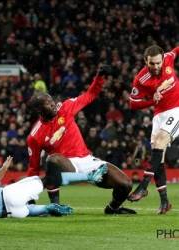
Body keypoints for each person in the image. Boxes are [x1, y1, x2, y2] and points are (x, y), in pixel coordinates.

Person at [27, 65, 136, 215]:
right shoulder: (35, 135)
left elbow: (91, 94)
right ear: (39, 110)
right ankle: (55, 207)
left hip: (87, 160)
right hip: (67, 165)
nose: (52, 104)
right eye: (47, 103)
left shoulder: (65, 108)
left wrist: (99, 77)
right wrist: (30, 198)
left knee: (126, 184)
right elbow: (33, 169)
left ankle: (112, 208)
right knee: (53, 158)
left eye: (51, 100)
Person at [127, 45, 179, 214]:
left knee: (159, 141)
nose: (156, 66)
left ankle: (142, 186)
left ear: (163, 59)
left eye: (158, 63)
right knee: (159, 157)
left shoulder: (170, 58)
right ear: (145, 61)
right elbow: (132, 103)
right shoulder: (141, 79)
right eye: (152, 63)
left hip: (176, 108)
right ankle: (165, 203)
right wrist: (151, 101)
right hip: (159, 114)